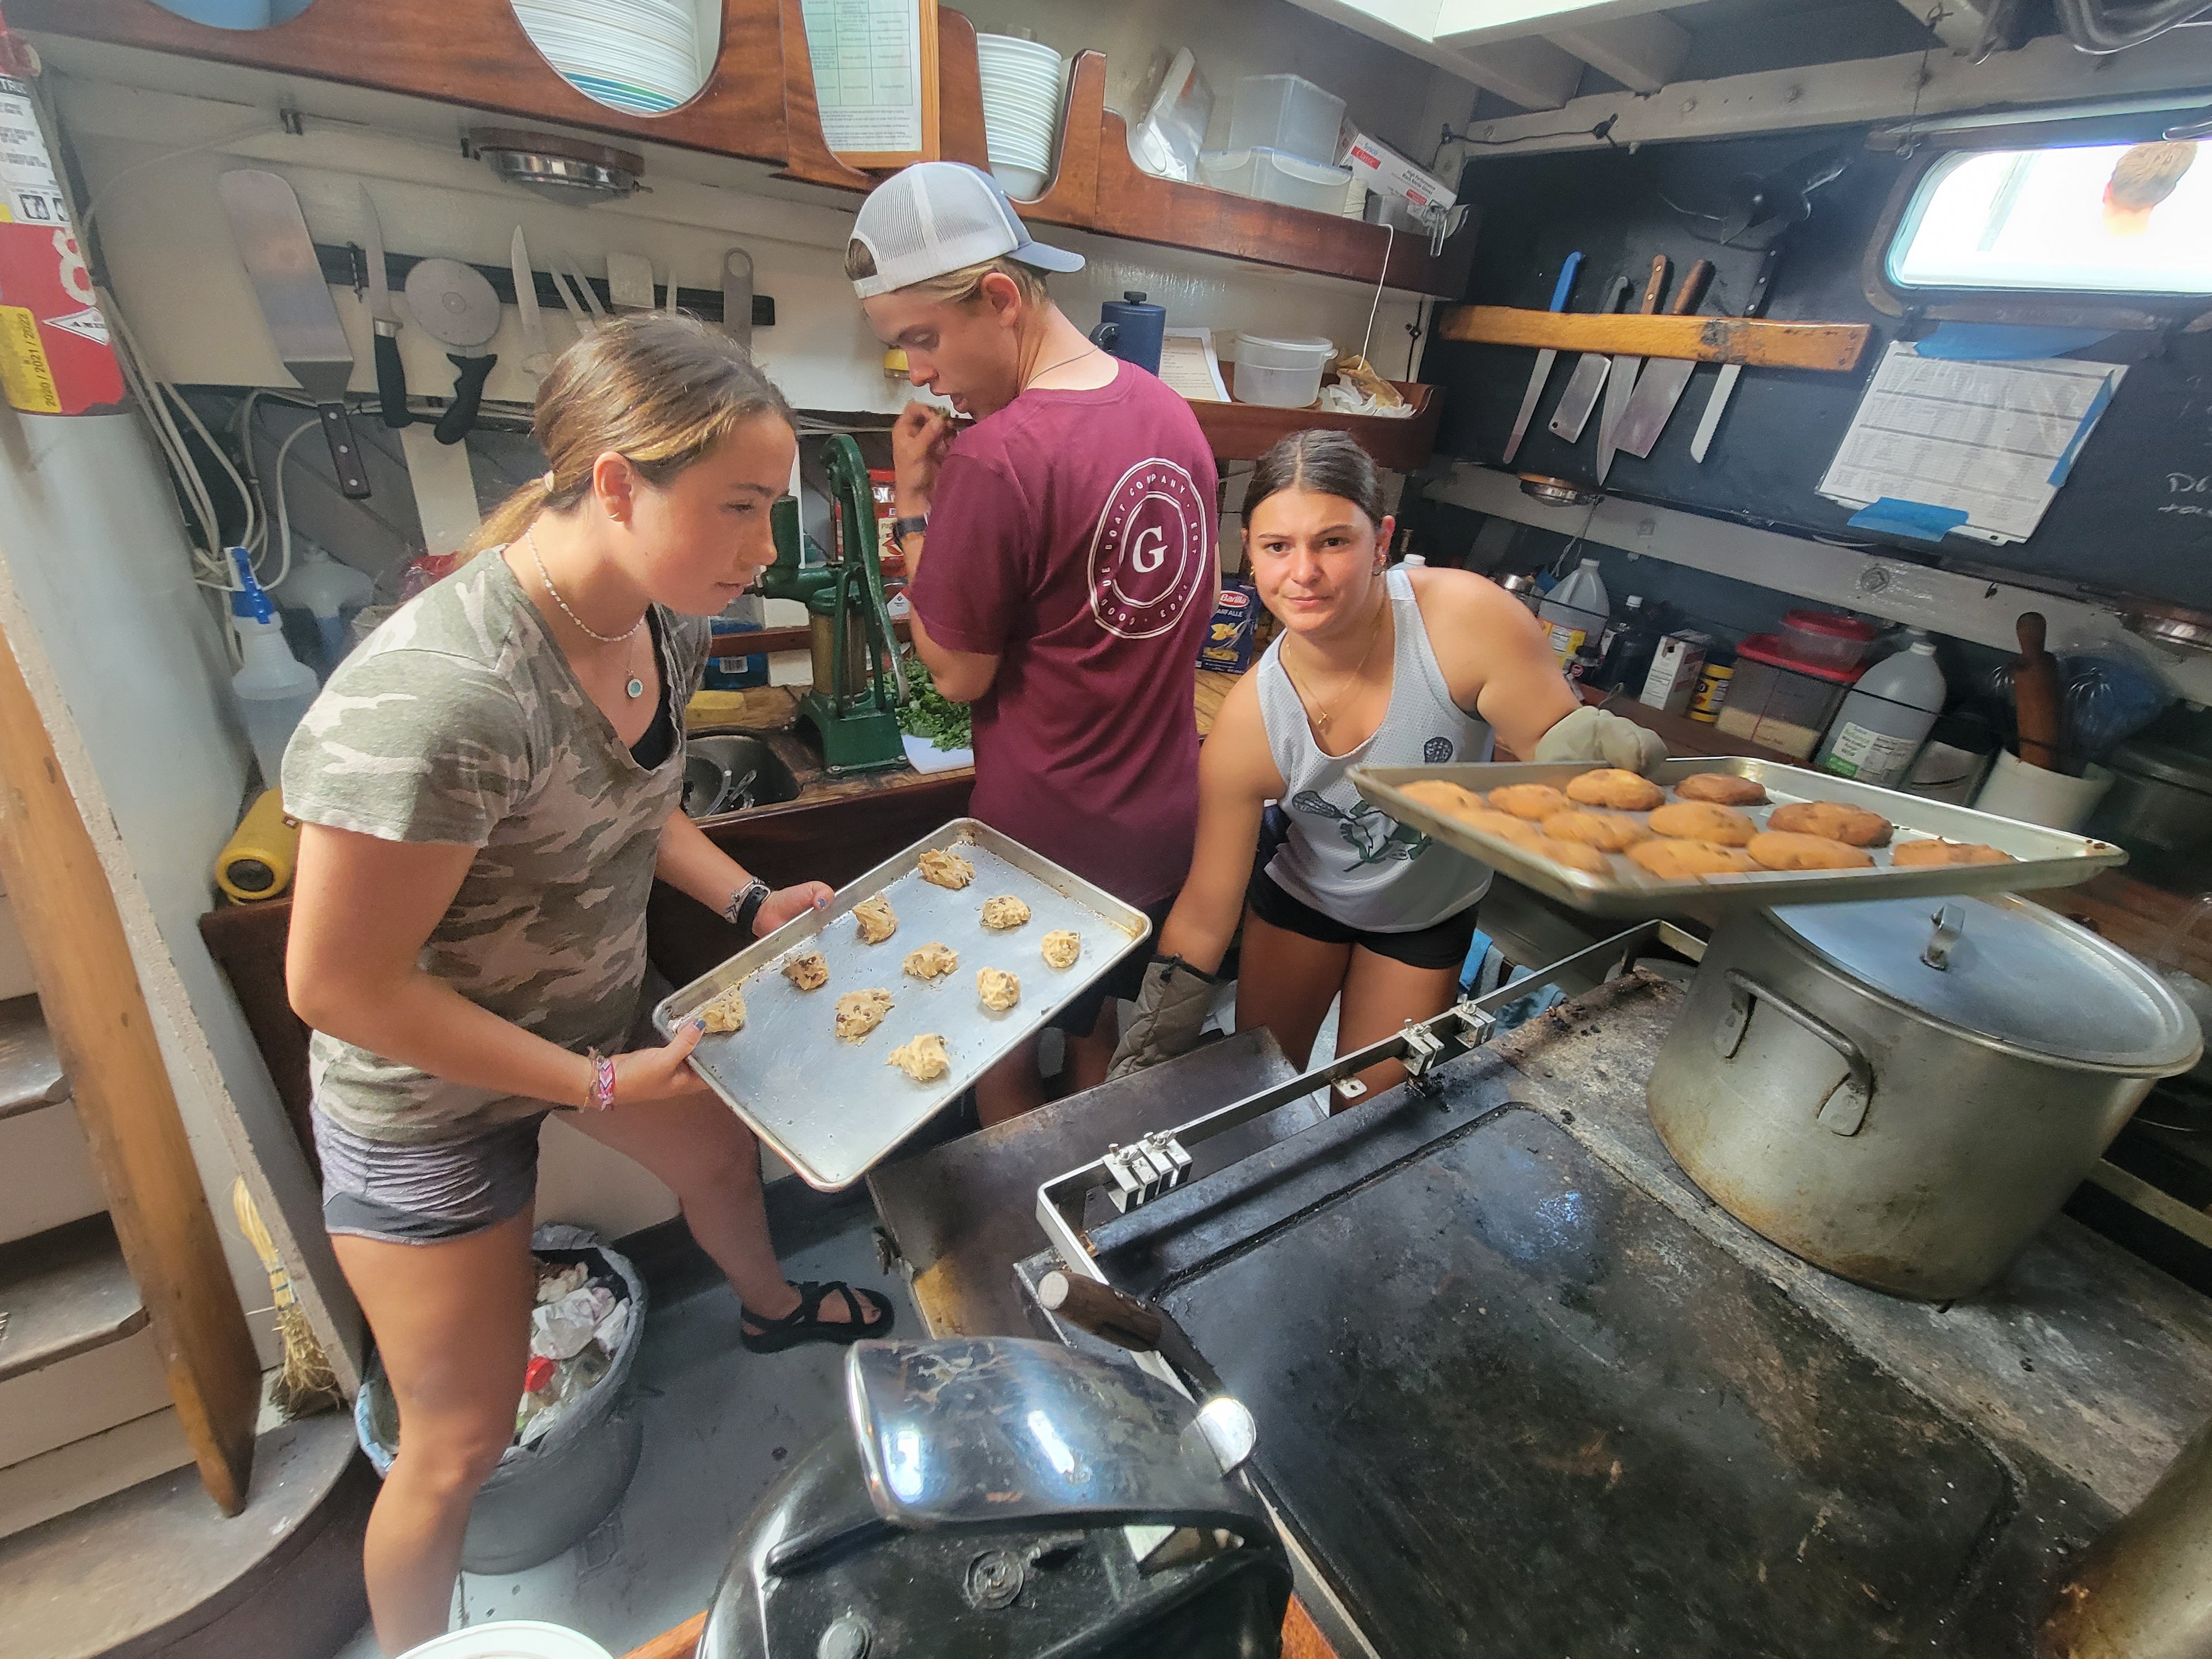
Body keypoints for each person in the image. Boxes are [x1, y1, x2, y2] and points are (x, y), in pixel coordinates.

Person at [283, 315, 893, 1655]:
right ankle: (417, 1647)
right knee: (457, 1438)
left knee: (722, 1168)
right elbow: (337, 985)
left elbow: (637, 805)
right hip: (426, 1098)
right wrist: (595, 1083)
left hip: (591, 1018)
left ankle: (772, 1309)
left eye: (770, 512)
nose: (762, 553)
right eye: (738, 509)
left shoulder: (653, 627)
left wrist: (745, 898)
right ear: (618, 482)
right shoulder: (443, 700)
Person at [1110, 430, 1665, 1095]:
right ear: (1249, 555)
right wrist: (1144, 1055)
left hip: (1425, 913)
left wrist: (1604, 757)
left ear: (1383, 541)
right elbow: (1206, 911)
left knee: (1375, 1106)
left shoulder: (1464, 622)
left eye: (1333, 541)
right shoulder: (1250, 723)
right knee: (1262, 1093)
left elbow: (1560, 755)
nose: (1304, 573)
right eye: (1277, 546)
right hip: (1303, 900)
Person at [846, 161, 1220, 1124]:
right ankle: (1080, 1206)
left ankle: (1018, 1224)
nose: (917, 371)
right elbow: (1202, 594)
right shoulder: (1168, 411)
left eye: (921, 340)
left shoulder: (996, 454)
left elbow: (957, 669)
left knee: (994, 1040)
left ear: (1002, 298)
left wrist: (919, 506)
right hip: (1160, 820)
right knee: (1094, 1022)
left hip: (1040, 838)